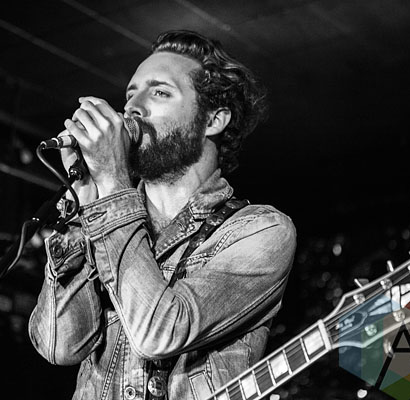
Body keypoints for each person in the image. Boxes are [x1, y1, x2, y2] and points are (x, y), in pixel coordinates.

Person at [29, 30, 297, 400]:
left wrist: (112, 185)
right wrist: (84, 203)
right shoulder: (104, 217)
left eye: (159, 92)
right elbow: (60, 345)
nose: (133, 107)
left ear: (214, 120)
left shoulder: (260, 230)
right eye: (131, 93)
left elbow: (160, 332)